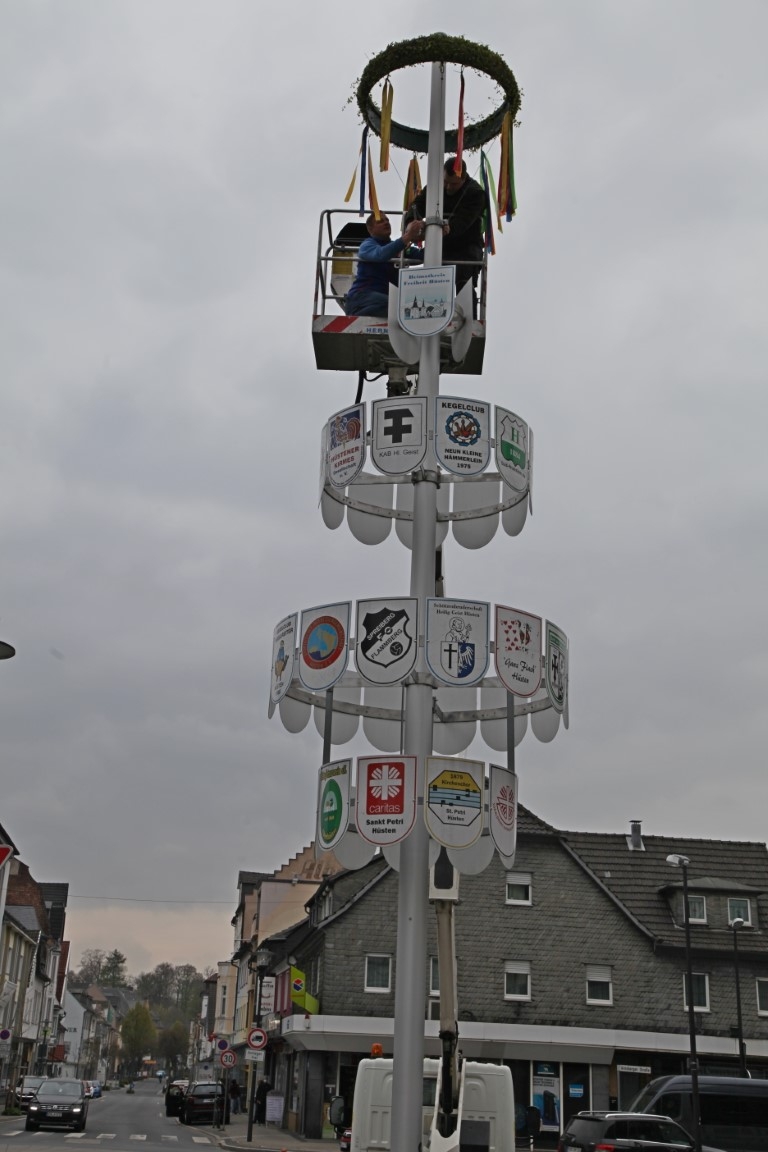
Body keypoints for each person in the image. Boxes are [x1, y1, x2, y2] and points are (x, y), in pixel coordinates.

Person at [405, 157, 485, 302]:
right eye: (445, 182)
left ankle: (467, 313)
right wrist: (411, 222)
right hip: (440, 245)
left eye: (453, 184)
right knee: (435, 282)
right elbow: (417, 205)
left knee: (464, 283)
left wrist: (447, 228)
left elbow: (463, 222)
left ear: (463, 178)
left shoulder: (475, 193)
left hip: (467, 247)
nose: (448, 187)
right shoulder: (435, 187)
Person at [343, 212, 423, 317]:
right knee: (402, 307)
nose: (386, 223)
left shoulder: (399, 248)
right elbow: (380, 254)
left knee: (408, 308)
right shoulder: (367, 245)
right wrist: (408, 236)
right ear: (370, 229)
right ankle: (356, 314)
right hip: (362, 297)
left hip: (382, 300)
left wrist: (437, 234)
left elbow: (422, 255)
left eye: (387, 220)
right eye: (380, 221)